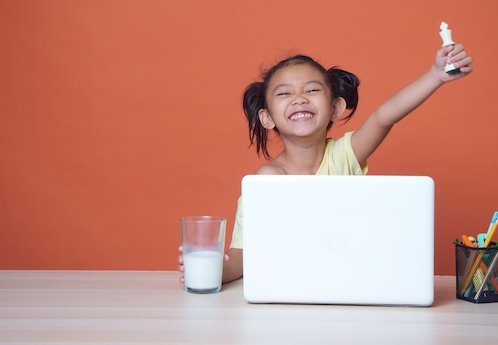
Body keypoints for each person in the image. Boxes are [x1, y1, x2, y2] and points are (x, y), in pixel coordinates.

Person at [178, 41, 473, 285]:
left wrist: (436, 75)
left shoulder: (346, 155)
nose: (299, 98)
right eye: (284, 93)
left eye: (312, 90)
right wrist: (213, 270)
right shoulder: (267, 179)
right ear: (267, 117)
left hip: (354, 283)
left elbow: (385, 116)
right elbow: (243, 255)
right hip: (291, 291)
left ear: (335, 107)